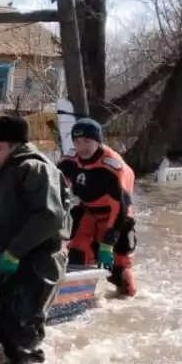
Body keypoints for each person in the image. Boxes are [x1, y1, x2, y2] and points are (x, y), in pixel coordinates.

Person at [0, 114, 70, 364]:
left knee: (23, 327)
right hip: (16, 260)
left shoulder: (35, 168)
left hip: (38, 260)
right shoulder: (8, 171)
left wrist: (14, 252)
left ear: (16, 146)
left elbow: (51, 215)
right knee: (9, 327)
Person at [57, 118, 138, 297]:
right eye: (77, 142)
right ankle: (75, 296)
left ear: (98, 141)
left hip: (117, 218)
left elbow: (121, 208)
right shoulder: (70, 161)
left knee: (119, 272)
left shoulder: (112, 168)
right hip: (89, 213)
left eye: (87, 142)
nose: (82, 147)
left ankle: (127, 300)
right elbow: (55, 188)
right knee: (76, 252)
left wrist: (108, 242)